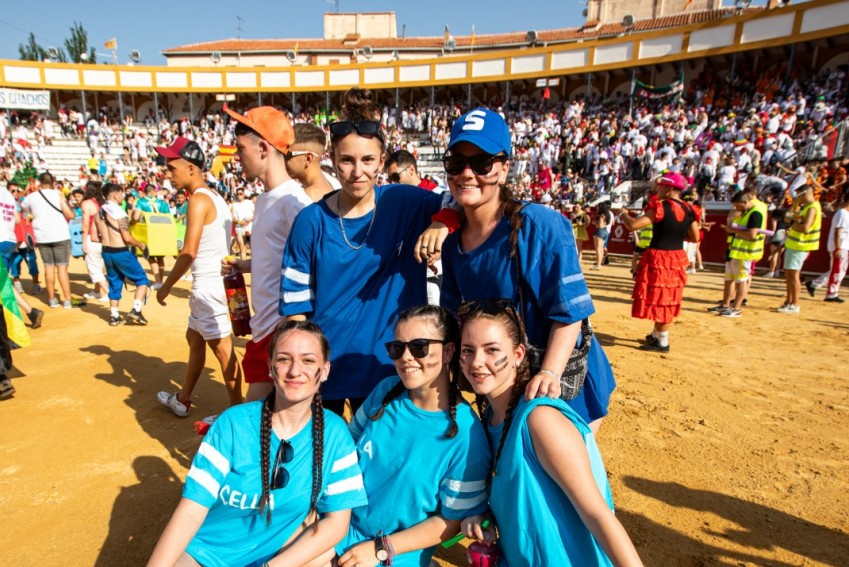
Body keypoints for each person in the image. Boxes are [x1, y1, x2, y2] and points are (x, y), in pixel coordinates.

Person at [432, 107, 615, 434]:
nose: (467, 173)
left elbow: (569, 312)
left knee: (554, 480)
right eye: (456, 162)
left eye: (482, 163)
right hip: (503, 383)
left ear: (503, 170)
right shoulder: (452, 244)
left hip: (559, 382)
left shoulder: (539, 225)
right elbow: (453, 319)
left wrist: (549, 375)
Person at [280, 88, 448, 416]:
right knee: (325, 463)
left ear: (382, 161)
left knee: (381, 464)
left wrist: (443, 222)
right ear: (332, 160)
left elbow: (462, 198)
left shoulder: (407, 202)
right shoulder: (310, 222)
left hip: (391, 370)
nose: (358, 172)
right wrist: (303, 369)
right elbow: (296, 312)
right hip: (325, 373)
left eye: (368, 160)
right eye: (347, 160)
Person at [147, 321, 368, 567]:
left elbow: (337, 522)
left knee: (323, 556)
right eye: (284, 359)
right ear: (270, 368)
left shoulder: (335, 433)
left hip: (276, 555)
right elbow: (191, 510)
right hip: (209, 554)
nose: (295, 371)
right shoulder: (233, 423)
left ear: (325, 370)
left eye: (308, 360)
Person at [457, 300, 643, 566]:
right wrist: (485, 518)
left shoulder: (539, 419)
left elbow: (598, 515)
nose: (477, 362)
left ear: (519, 354)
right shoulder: (490, 420)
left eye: (492, 350)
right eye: (468, 350)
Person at [336, 305, 490, 567]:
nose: (405, 357)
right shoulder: (385, 392)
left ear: (448, 352)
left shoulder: (467, 436)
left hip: (394, 554)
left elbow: (451, 521)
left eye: (419, 347)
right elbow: (344, 451)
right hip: (338, 526)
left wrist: (380, 549)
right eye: (397, 348)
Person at [221, 106, 331, 404]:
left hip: (279, 328)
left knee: (257, 414)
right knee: (271, 415)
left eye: (241, 147)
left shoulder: (293, 203)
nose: (236, 155)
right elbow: (281, 258)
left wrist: (291, 326)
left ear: (263, 147)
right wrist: (245, 265)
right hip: (266, 326)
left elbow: (314, 267)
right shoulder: (266, 200)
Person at [155, 137, 244, 417]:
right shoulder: (217, 197)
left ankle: (238, 414)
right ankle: (182, 398)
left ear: (191, 168)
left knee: (224, 352)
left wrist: (166, 285)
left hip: (208, 286)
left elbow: (189, 251)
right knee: (194, 339)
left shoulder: (198, 200)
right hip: (217, 284)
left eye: (172, 168)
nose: (168, 174)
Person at [619, 172, 699, 352]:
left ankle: (662, 340)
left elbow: (634, 225)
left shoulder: (660, 207)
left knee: (661, 298)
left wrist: (623, 214)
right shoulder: (688, 209)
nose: (658, 188)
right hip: (677, 258)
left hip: (659, 257)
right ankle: (656, 334)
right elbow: (694, 237)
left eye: (661, 186)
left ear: (669, 189)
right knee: (668, 297)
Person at [93, 183, 151, 326]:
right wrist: (140, 245)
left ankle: (114, 316)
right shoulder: (119, 212)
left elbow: (94, 237)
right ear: (114, 194)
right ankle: (136, 310)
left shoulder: (97, 213)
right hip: (121, 252)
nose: (122, 196)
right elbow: (126, 238)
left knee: (114, 282)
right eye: (121, 194)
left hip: (107, 252)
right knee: (142, 280)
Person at [20, 172, 75, 308]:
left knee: (48, 267)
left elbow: (24, 210)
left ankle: (52, 299)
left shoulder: (31, 197)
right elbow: (70, 215)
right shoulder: (58, 194)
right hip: (60, 234)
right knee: (62, 268)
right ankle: (67, 300)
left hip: (42, 236)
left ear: (39, 182)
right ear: (53, 182)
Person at [716, 190, 767, 318]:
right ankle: (726, 305)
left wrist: (733, 230)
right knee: (730, 278)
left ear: (745, 202)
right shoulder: (746, 213)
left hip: (745, 253)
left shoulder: (755, 213)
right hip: (736, 250)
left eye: (738, 206)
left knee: (741, 281)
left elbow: (752, 234)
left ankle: (737, 308)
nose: (737, 209)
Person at [778, 184, 822, 314]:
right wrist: (795, 205)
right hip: (794, 245)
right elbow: (787, 218)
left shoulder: (812, 208)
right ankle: (789, 301)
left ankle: (794, 303)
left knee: (794, 275)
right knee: (790, 275)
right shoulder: (806, 207)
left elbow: (805, 228)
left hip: (800, 246)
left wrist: (792, 223)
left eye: (798, 196)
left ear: (804, 194)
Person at [806, 191, 849, 303]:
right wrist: (838, 248)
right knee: (837, 270)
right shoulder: (842, 214)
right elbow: (837, 232)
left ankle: (815, 284)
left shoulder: (844, 213)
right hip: (840, 245)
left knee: (839, 270)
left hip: (843, 245)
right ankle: (831, 293)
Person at [133, 183, 171, 290]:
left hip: (148, 232)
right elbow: (168, 216)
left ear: (145, 192)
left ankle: (158, 281)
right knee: (160, 257)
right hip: (161, 231)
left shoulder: (141, 202)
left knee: (150, 256)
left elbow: (136, 217)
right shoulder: (162, 203)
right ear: (153, 192)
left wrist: (131, 222)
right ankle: (161, 281)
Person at [80, 181, 109, 301]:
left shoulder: (86, 203)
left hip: (91, 237)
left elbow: (86, 224)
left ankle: (108, 292)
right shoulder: (103, 203)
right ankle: (97, 291)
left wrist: (83, 242)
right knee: (100, 265)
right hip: (104, 237)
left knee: (93, 267)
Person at [229, 186, 255, 261]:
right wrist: (240, 222)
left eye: (241, 194)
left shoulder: (249, 203)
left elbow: (255, 213)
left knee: (251, 246)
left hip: (249, 226)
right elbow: (233, 217)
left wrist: (249, 220)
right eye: (238, 194)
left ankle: (253, 263)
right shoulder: (234, 205)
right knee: (241, 246)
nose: (239, 195)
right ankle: (243, 263)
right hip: (239, 227)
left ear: (243, 194)